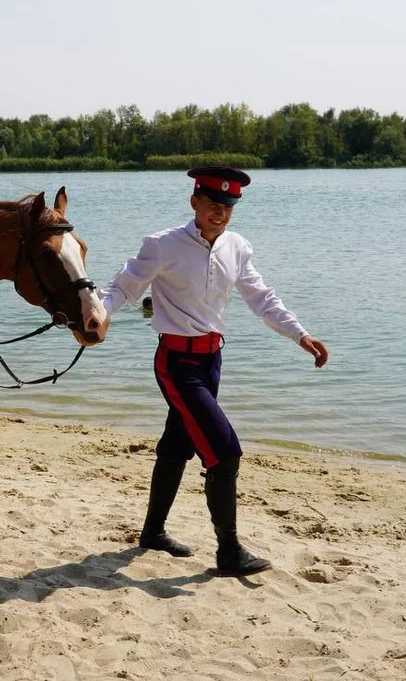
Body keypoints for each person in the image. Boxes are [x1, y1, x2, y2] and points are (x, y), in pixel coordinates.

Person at [97, 166, 328, 577]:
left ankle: (152, 532)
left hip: (212, 361)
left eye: (228, 206)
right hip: (176, 363)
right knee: (224, 452)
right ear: (195, 203)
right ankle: (228, 552)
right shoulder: (163, 244)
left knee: (176, 446)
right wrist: (99, 314)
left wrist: (299, 334)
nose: (220, 213)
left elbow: (262, 298)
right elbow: (125, 287)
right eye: (213, 205)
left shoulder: (237, 247)